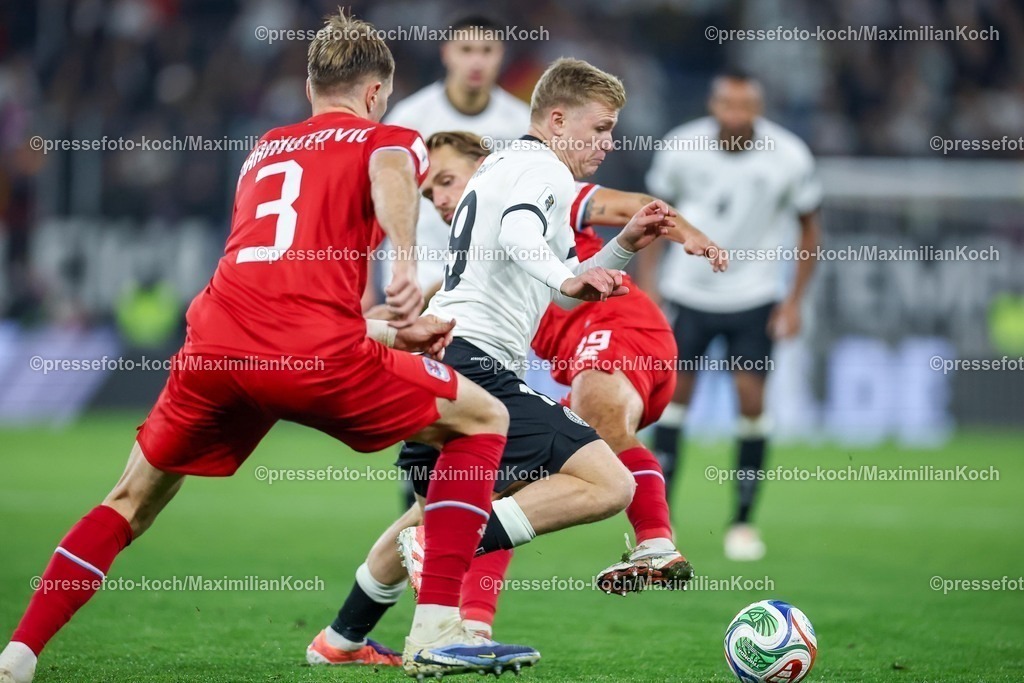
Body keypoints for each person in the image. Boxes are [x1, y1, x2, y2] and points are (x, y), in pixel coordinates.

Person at [0, 11, 540, 683]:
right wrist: (404, 260)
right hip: (314, 356)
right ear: (376, 94)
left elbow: (280, 292)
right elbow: (391, 168)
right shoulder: (391, 137)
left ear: (312, 87)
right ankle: (436, 628)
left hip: (217, 346)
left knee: (129, 499)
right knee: (484, 418)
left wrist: (390, 331)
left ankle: (17, 655)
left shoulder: (265, 149)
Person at [305, 58, 699, 667]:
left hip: (447, 358)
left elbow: (561, 287)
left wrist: (620, 248)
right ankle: (440, 555)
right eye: (599, 129)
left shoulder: (504, 165)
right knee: (608, 482)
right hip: (479, 365)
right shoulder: (543, 169)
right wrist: (571, 271)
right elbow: (523, 242)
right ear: (559, 119)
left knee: (428, 507)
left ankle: (341, 639)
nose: (608, 143)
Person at [640, 69, 823, 562]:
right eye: (728, 104)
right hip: (689, 291)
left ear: (757, 108)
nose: (737, 114)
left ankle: (742, 521)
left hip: (756, 293)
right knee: (673, 399)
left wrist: (793, 301)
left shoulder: (788, 156)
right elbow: (654, 216)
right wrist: (652, 286)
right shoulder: (681, 147)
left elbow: (810, 228)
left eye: (746, 106)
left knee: (751, 399)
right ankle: (662, 523)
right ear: (714, 105)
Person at [377, 13, 531, 299]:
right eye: (466, 50)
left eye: (487, 51)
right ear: (446, 54)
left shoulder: (521, 124)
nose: (477, 62)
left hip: (494, 269)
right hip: (421, 264)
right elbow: (381, 197)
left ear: (501, 56)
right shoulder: (410, 119)